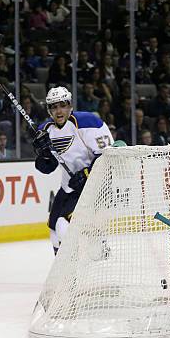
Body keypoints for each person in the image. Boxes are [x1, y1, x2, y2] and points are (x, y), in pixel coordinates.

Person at [32, 87, 113, 254]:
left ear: (70, 106)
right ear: (49, 110)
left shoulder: (88, 123)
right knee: (54, 226)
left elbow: (108, 156)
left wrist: (86, 174)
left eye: (63, 105)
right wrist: (44, 155)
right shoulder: (46, 130)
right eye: (54, 107)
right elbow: (48, 167)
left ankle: (84, 258)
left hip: (95, 184)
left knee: (63, 224)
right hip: (69, 186)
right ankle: (62, 271)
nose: (59, 110)